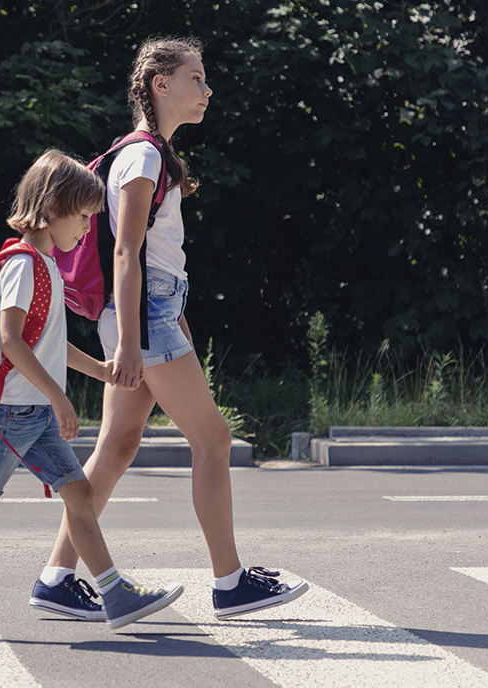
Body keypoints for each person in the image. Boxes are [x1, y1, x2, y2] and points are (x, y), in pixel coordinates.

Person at [29, 38, 309, 623]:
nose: (207, 90)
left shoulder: (149, 156)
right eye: (196, 78)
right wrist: (134, 341)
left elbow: (150, 256)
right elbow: (127, 252)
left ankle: (56, 578)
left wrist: (162, 321)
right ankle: (230, 582)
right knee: (213, 441)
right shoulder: (144, 157)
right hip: (143, 316)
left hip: (152, 313)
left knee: (118, 446)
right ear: (160, 83)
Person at [0, 150, 185, 637]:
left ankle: (114, 593)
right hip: (13, 413)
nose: (85, 230)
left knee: (79, 494)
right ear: (51, 208)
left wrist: (99, 369)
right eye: (82, 217)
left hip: (29, 412)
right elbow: (11, 340)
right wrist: (59, 397)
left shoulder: (46, 266)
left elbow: (49, 343)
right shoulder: (22, 264)